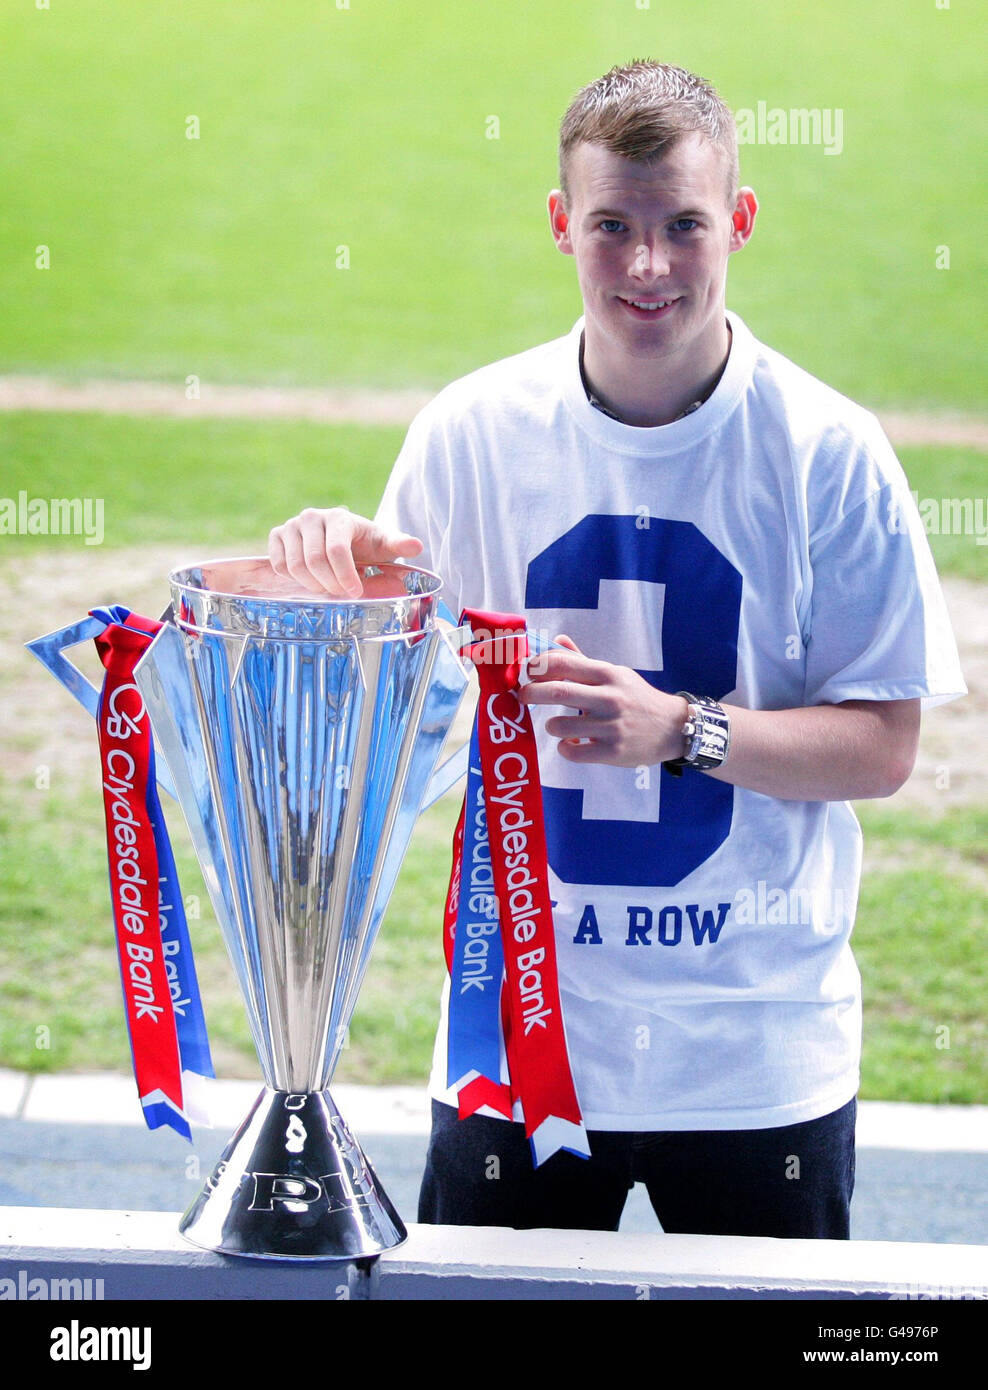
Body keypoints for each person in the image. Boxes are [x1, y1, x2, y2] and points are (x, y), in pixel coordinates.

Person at [268, 61, 965, 1239]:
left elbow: (883, 746)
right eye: (613, 227)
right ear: (560, 226)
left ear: (738, 221)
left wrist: (680, 730)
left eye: (683, 225)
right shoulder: (469, 435)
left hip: (756, 1050)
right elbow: (391, 725)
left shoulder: (829, 452)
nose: (648, 266)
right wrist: (335, 578)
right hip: (517, 1037)